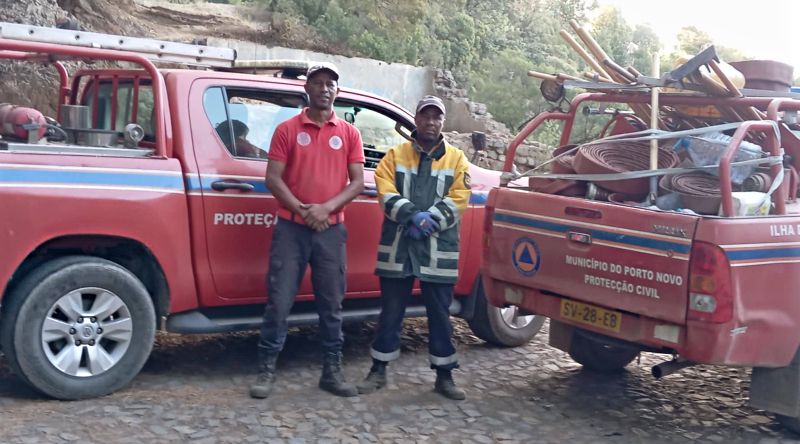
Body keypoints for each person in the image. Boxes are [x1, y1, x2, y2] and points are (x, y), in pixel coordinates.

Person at [250, 62, 365, 399]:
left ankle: (332, 371)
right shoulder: (287, 129)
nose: (324, 88)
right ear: (307, 89)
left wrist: (326, 209)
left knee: (332, 304)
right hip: (291, 229)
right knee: (279, 300)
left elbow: (357, 182)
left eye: (330, 83)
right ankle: (266, 369)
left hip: (331, 231)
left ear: (337, 92)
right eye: (318, 83)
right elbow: (273, 178)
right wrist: (302, 210)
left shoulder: (349, 133)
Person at [356, 95, 471, 400]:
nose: (430, 122)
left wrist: (429, 220)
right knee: (390, 313)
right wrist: (410, 215)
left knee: (439, 315)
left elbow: (460, 197)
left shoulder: (457, 159)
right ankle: (378, 371)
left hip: (437, 250)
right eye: (425, 116)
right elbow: (384, 189)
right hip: (399, 248)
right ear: (416, 120)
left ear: (443, 122)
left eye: (437, 117)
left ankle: (444, 376)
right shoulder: (395, 155)